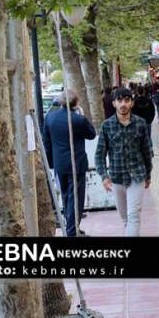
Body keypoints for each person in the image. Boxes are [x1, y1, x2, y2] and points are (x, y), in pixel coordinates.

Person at [96, 88, 153, 237]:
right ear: (114, 103)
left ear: (132, 103)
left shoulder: (140, 123)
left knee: (134, 216)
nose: (123, 104)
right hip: (117, 177)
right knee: (126, 218)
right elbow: (99, 155)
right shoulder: (107, 126)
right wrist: (104, 176)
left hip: (137, 176)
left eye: (127, 100)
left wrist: (148, 175)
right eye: (119, 101)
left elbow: (147, 152)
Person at [43, 90, 96, 237]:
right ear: (76, 104)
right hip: (76, 164)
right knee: (76, 198)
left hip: (59, 164)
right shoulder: (78, 120)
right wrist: (82, 115)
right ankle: (72, 230)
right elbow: (91, 134)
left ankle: (71, 226)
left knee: (66, 196)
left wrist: (50, 163)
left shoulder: (50, 118)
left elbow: (46, 142)